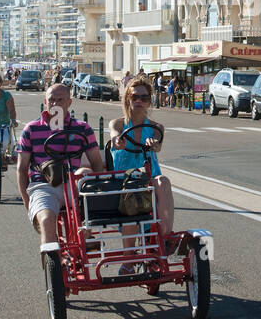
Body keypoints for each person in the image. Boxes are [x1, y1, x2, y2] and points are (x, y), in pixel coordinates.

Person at [17, 83, 105, 249]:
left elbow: (96, 162)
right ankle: (54, 267)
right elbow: (22, 169)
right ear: (45, 101)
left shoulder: (82, 128)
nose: (55, 104)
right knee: (47, 221)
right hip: (43, 185)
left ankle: (86, 233)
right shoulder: (31, 129)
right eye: (52, 100)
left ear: (69, 102)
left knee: (85, 172)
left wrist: (97, 185)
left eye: (60, 100)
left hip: (73, 183)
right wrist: (27, 202)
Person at [108, 79, 176, 249]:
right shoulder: (117, 124)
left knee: (163, 181)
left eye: (144, 98)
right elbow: (115, 137)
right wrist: (118, 141)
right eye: (135, 97)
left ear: (149, 102)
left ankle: (164, 237)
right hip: (123, 181)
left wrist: (153, 143)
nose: (139, 101)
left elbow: (158, 146)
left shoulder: (156, 128)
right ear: (127, 99)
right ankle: (129, 258)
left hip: (148, 179)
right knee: (131, 190)